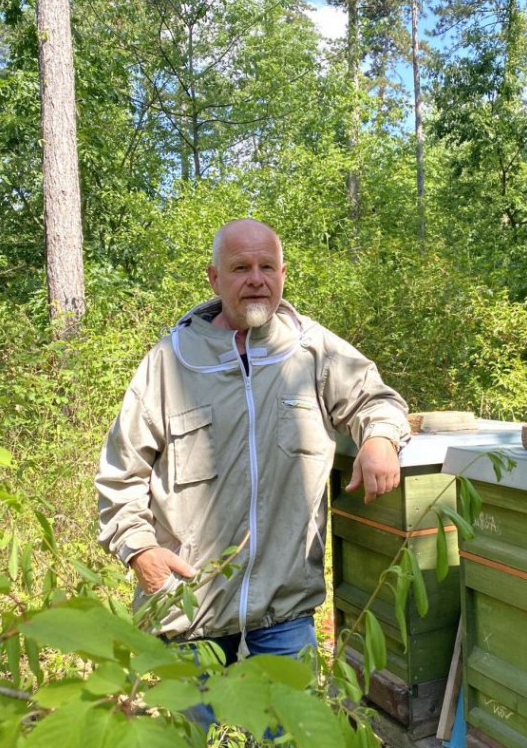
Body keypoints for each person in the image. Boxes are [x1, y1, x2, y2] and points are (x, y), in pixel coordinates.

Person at [94, 218, 410, 694]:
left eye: (267, 267)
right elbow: (121, 473)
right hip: (187, 611)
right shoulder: (169, 361)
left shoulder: (313, 350)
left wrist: (379, 439)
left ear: (283, 274)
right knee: (184, 732)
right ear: (214, 278)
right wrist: (139, 550)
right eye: (241, 268)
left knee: (291, 731)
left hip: (285, 614)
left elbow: (377, 399)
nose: (256, 279)